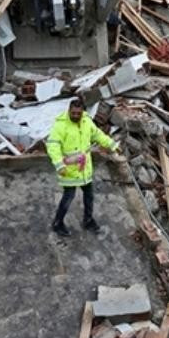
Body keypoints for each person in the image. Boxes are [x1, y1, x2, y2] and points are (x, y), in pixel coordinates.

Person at [46, 98, 122, 237]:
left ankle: (88, 220)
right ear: (69, 111)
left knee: (89, 195)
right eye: (73, 113)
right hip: (69, 170)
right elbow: (53, 145)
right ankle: (57, 223)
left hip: (84, 169)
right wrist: (59, 164)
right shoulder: (60, 126)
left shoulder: (87, 122)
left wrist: (112, 145)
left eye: (78, 113)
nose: (75, 116)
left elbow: (98, 135)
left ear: (83, 112)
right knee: (68, 197)